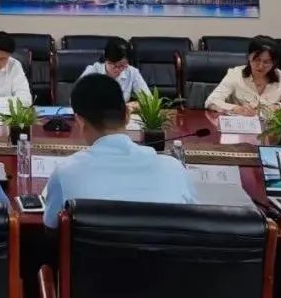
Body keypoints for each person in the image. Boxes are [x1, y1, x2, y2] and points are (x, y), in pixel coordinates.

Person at [42, 74, 195, 228]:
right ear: (127, 114)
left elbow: (51, 226)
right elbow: (197, 224)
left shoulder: (66, 173)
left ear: (80, 122)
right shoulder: (174, 171)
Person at [205, 35, 281, 115]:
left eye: (266, 62)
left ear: (274, 63)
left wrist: (277, 108)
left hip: (270, 131)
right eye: (256, 60)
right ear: (249, 57)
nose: (260, 66)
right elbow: (211, 101)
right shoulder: (235, 74)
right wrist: (237, 109)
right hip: (241, 130)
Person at [79, 37, 149, 111]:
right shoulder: (92, 71)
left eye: (122, 65)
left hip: (120, 116)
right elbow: (76, 100)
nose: (117, 69)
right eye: (113, 64)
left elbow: (149, 101)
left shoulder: (132, 72)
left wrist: (129, 106)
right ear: (106, 59)